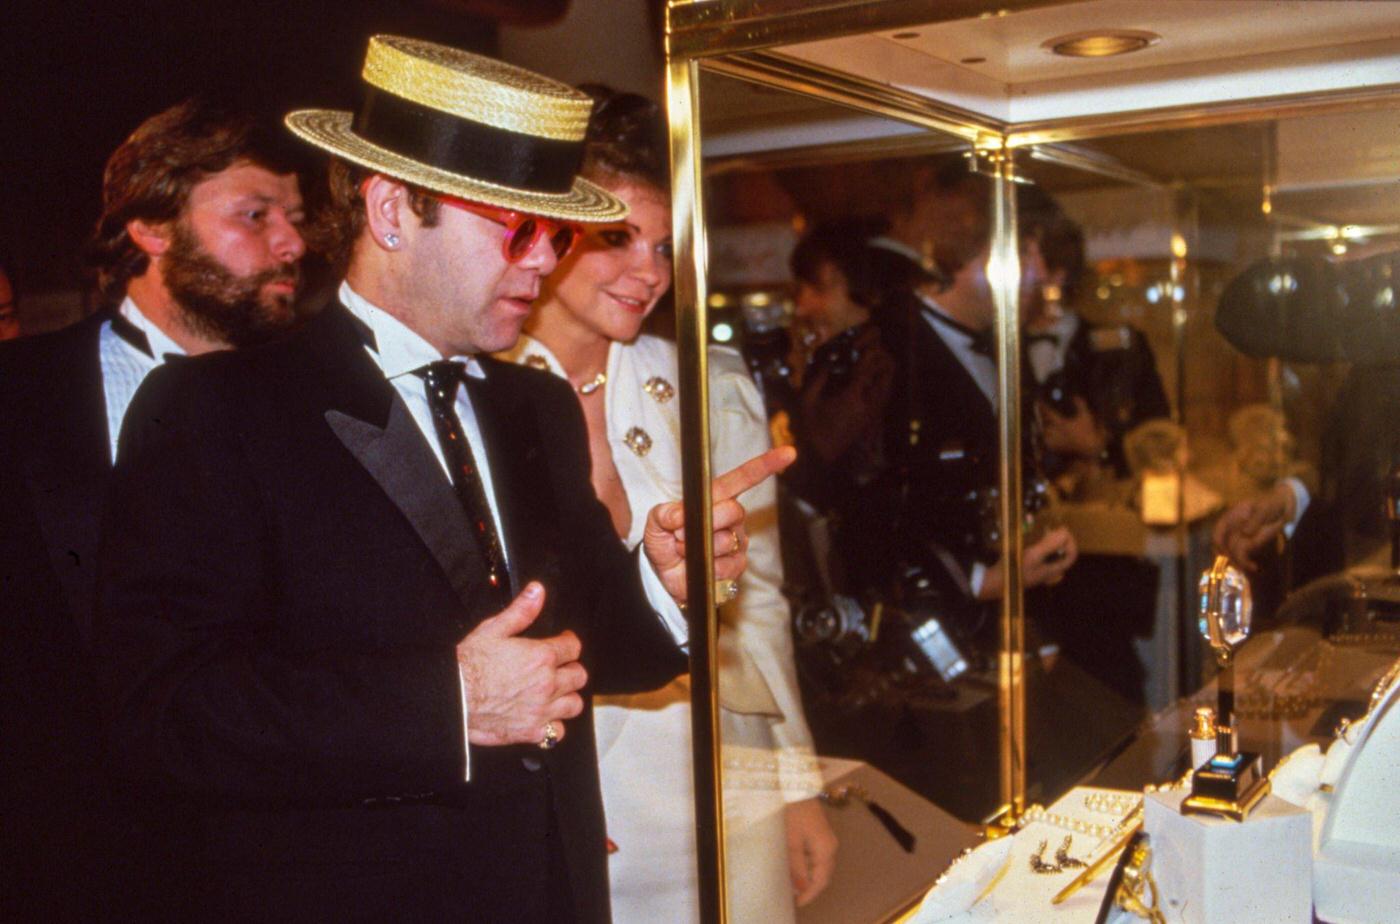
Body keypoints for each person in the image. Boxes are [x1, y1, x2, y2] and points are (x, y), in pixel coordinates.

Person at [93, 37, 788, 924]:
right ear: (391, 210)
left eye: (561, 233)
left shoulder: (529, 403)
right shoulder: (216, 409)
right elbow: (163, 715)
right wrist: (446, 704)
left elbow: (582, 648)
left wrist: (664, 582)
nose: (546, 261)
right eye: (521, 229)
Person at [500, 86, 836, 922]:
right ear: (548, 228)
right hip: (575, 781)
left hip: (716, 767)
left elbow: (758, 600)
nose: (649, 272)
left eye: (664, 246)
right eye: (617, 238)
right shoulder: (477, 394)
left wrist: (795, 784)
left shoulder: (707, 384)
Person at [0, 99, 308, 921]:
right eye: (256, 215)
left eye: (296, 218)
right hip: (56, 870)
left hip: (280, 868)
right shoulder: (17, 397)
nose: (292, 243)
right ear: (150, 227)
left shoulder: (332, 410)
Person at [873, 160, 1078, 613]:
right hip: (926, 618)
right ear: (968, 253)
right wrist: (980, 580)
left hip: (1011, 616)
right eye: (1026, 251)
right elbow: (870, 506)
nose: (1041, 273)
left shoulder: (1007, 347)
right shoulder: (888, 348)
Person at [782, 218, 898, 592]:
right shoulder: (842, 357)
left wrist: (799, 386)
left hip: (868, 558)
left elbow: (820, 451)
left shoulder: (874, 360)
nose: (801, 308)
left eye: (807, 290)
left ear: (832, 278)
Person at [1024, 215, 1169, 486]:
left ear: (1055, 277)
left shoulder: (1122, 353)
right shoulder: (993, 349)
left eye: (1027, 267)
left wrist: (1094, 448)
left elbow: (1161, 447)